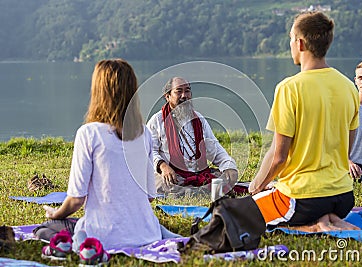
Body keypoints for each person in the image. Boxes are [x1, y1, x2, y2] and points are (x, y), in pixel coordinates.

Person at [35, 59, 178, 260]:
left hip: (103, 238)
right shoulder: (144, 133)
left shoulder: (89, 133)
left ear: (99, 92)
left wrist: (56, 214)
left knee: (45, 229)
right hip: (147, 233)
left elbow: (76, 200)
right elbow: (150, 196)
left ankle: (82, 247)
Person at [248, 11, 360, 231]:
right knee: (315, 206)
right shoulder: (349, 87)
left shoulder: (289, 88)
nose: (290, 44)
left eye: (291, 38)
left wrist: (257, 186)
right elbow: (347, 149)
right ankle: (327, 218)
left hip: (302, 200)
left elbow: (278, 157)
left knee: (238, 212)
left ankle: (312, 226)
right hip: (343, 197)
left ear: (299, 43)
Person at [146, 77, 238, 197]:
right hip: (171, 175)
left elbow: (215, 148)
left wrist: (228, 166)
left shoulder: (198, 119)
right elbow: (149, 151)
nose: (184, 96)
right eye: (179, 91)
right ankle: (204, 191)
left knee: (225, 176)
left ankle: (199, 191)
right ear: (167, 96)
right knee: (164, 183)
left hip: (198, 173)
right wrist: (162, 166)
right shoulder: (157, 121)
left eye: (187, 91)